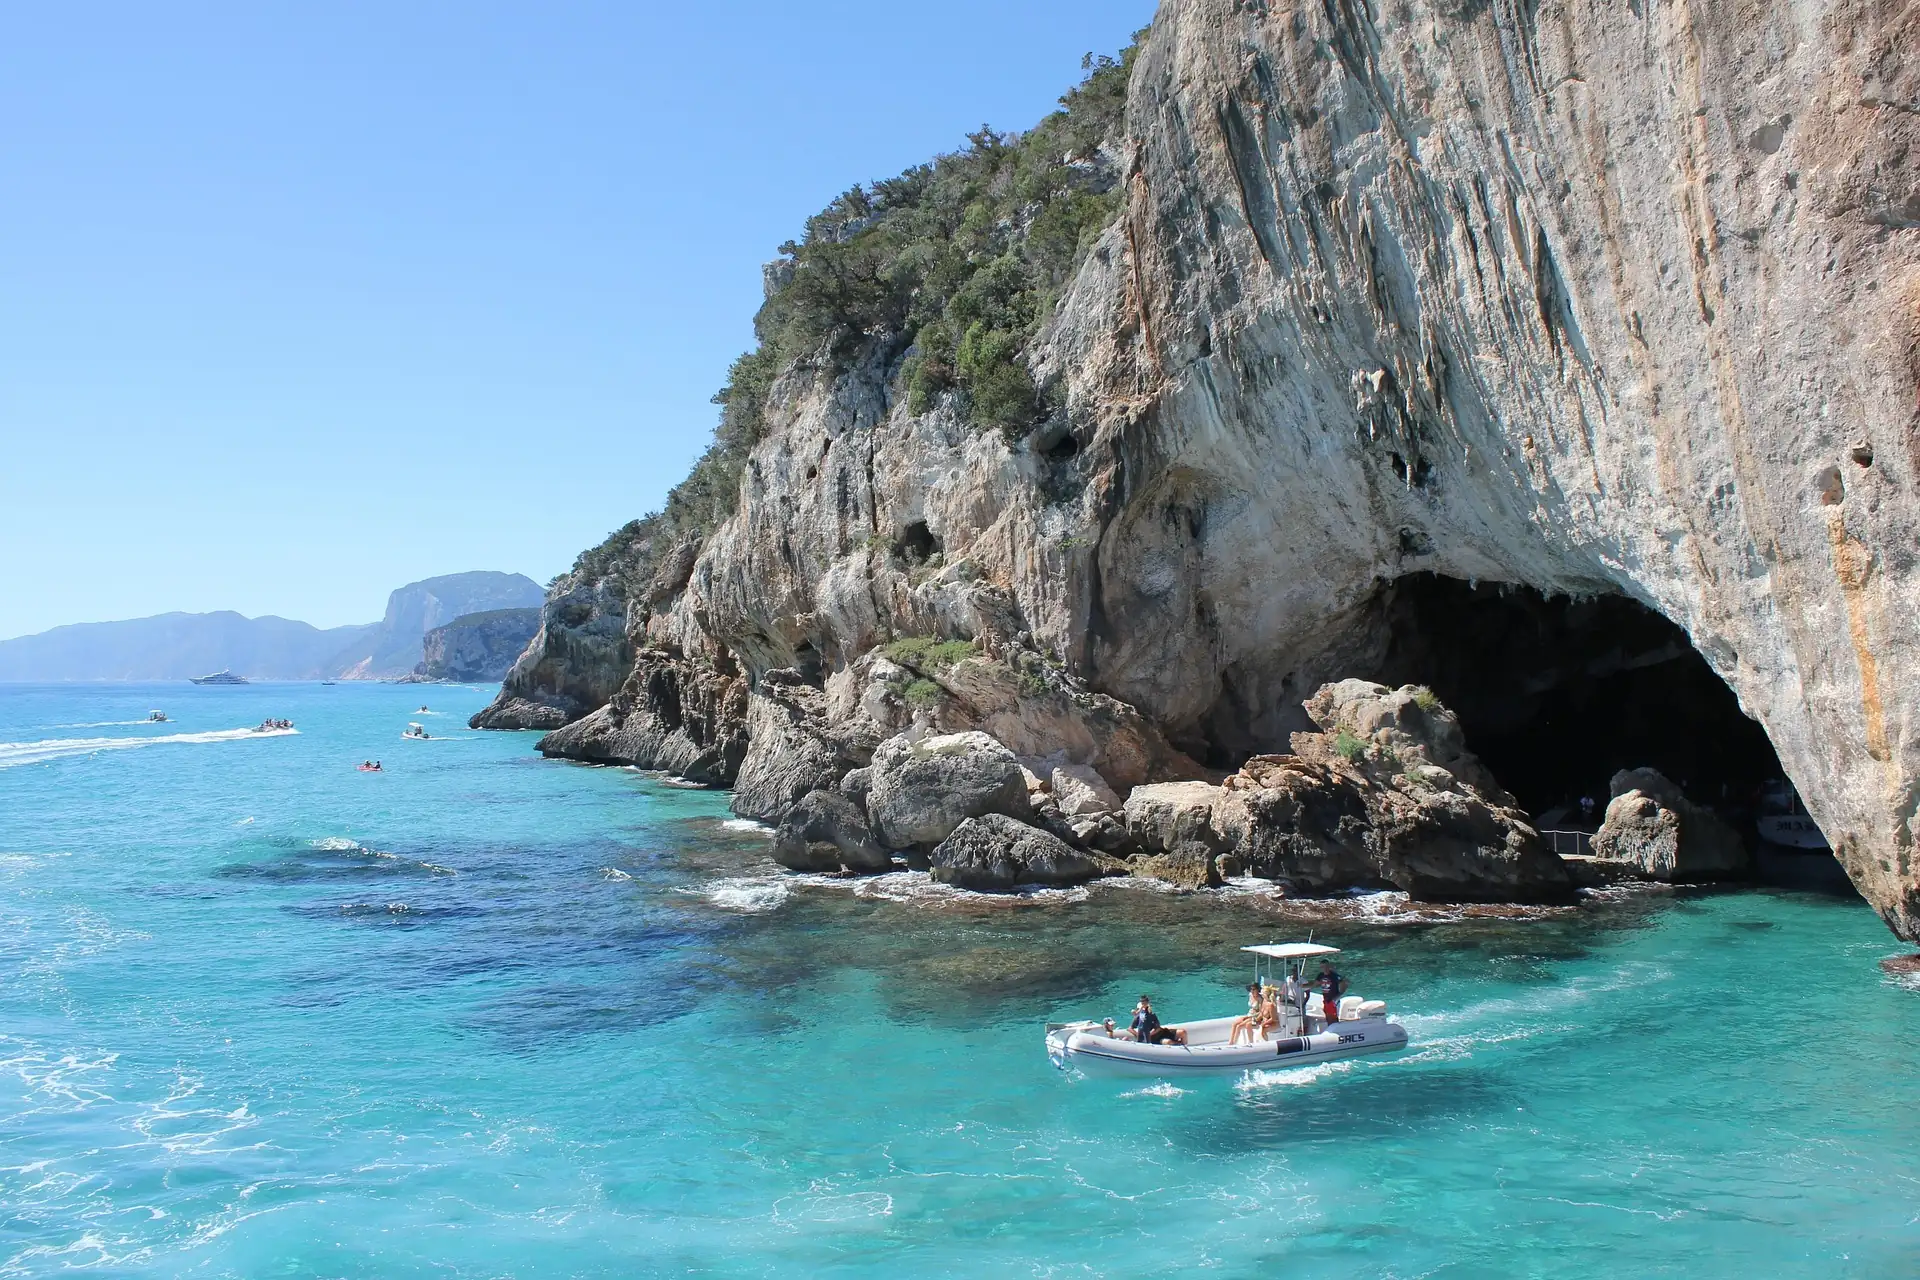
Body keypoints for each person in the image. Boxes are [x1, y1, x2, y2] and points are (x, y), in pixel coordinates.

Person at [1316, 960, 1347, 1025]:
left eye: (1326, 966)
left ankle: (1336, 1031)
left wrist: (1338, 996)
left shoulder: (1334, 975)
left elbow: (1344, 984)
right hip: (1326, 1000)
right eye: (1322, 967)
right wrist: (1304, 986)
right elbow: (1316, 984)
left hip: (1332, 1000)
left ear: (1329, 966)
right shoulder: (1320, 975)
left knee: (1333, 1018)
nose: (1324, 968)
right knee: (1328, 1017)